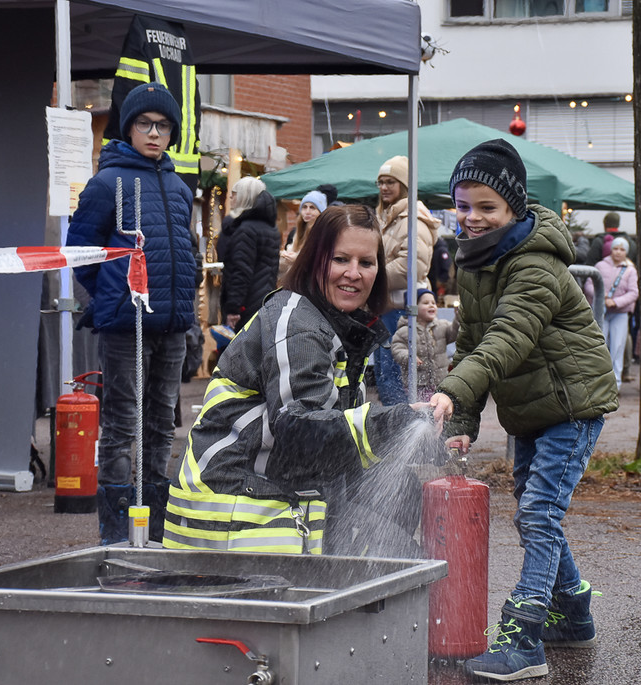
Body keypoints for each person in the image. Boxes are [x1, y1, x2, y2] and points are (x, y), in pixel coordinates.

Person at [429, 139, 618, 682]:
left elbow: (506, 338)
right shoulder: (474, 262)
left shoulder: (534, 265)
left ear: (513, 207)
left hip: (572, 405)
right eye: (463, 206)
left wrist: (451, 390)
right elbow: (469, 344)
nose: (472, 218)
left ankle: (525, 636)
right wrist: (462, 419)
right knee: (537, 514)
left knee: (538, 513)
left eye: (487, 207)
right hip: (528, 409)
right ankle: (575, 616)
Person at [164, 205, 435, 555]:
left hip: (268, 490)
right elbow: (302, 435)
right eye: (340, 259)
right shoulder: (298, 325)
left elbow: (330, 437)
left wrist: (428, 431)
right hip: (233, 513)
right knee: (401, 560)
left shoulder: (335, 321)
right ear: (314, 261)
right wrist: (396, 422)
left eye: (366, 263)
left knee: (401, 488)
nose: (353, 273)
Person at [66, 82, 198, 545]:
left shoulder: (179, 187)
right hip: (127, 324)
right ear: (130, 128)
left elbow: (188, 251)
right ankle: (117, 532)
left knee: (162, 423)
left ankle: (155, 526)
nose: (155, 133)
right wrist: (113, 297)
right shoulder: (107, 183)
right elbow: (79, 253)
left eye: (163, 126)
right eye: (146, 124)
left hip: (172, 324)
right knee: (123, 422)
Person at [374, 155, 440, 405]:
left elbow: (411, 266)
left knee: (396, 376)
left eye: (391, 181)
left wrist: (373, 277)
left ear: (404, 185)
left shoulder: (414, 218)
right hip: (388, 306)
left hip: (403, 308)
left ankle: (400, 429)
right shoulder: (388, 217)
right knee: (385, 373)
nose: (384, 187)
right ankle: (394, 429)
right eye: (380, 182)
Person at [217, 176, 279, 331]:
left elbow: (241, 271)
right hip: (263, 299)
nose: (231, 197)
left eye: (235, 193)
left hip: (246, 304)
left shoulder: (245, 230)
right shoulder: (270, 228)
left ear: (245, 196)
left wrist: (233, 308)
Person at [390, 288, 459, 402]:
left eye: (433, 303)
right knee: (423, 410)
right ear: (413, 308)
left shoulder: (441, 326)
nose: (431, 305)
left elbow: (455, 333)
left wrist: (458, 318)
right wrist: (409, 356)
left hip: (440, 381)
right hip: (417, 384)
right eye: (426, 303)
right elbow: (397, 348)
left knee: (439, 409)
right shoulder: (406, 330)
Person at [594, 236, 638, 388]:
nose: (618, 252)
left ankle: (616, 383)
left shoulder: (630, 270)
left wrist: (616, 302)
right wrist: (602, 296)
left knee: (618, 346)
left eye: (622, 249)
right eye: (616, 248)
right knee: (601, 344)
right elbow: (588, 285)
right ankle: (599, 382)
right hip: (602, 311)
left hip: (620, 313)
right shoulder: (600, 265)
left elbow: (633, 292)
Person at [279, 189, 326, 279]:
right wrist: (284, 257)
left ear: (321, 212)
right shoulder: (296, 232)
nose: (307, 211)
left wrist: (297, 260)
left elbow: (322, 264)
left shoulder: (324, 233)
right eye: (304, 207)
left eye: (312, 207)